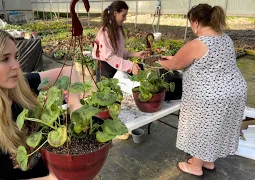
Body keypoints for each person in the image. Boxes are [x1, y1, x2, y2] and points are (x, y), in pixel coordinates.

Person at [0, 26, 82, 180]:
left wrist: (75, 106)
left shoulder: (18, 88)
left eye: (16, 57)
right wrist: (55, 178)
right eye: (5, 59)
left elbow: (69, 72)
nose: (16, 66)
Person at [157, 4, 247, 176]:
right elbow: (205, 61)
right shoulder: (225, 38)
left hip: (212, 97)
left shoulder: (198, 43)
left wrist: (159, 61)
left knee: (202, 129)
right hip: (235, 91)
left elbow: (175, 64)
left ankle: (196, 166)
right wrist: (175, 58)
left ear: (196, 22)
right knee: (217, 127)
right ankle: (208, 160)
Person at [92, 0, 146, 82]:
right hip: (106, 74)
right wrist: (130, 66)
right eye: (123, 15)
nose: (125, 19)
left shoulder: (117, 30)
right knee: (107, 93)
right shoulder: (105, 32)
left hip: (115, 69)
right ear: (115, 13)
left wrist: (136, 54)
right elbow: (109, 57)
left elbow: (119, 52)